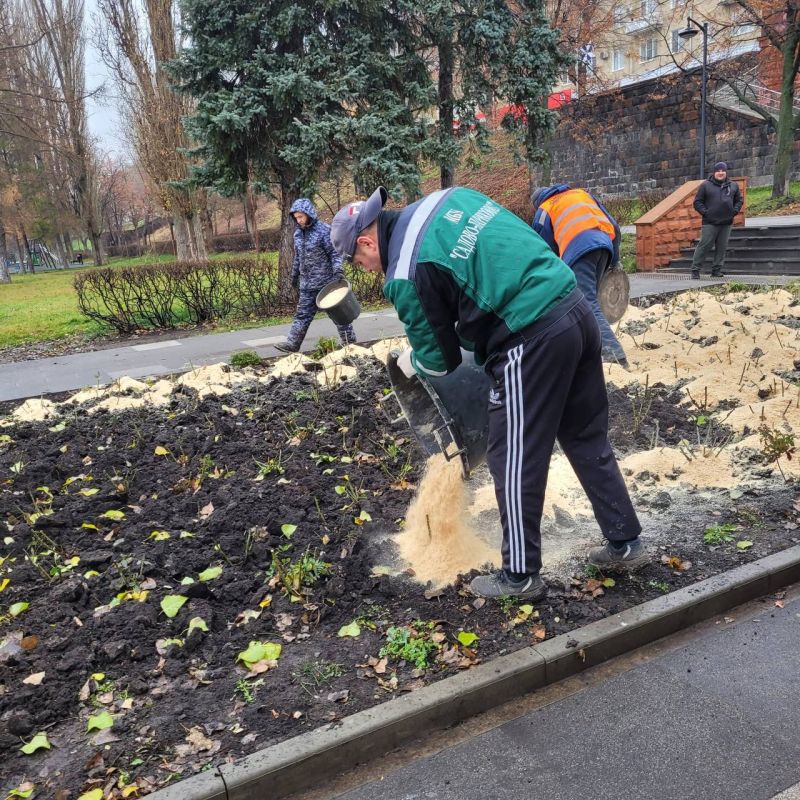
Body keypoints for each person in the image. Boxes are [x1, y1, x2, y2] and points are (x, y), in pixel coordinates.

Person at [330, 186, 647, 599]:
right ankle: (625, 542)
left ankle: (520, 576)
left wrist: (413, 360)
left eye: (360, 260)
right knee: (584, 436)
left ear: (368, 241)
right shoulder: (449, 198)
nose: (368, 269)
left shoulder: (403, 273)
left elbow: (440, 361)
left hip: (529, 336)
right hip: (574, 308)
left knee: (510, 457)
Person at [531, 184, 627, 366]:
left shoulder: (544, 210)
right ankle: (592, 348)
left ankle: (614, 355)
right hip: (604, 246)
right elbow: (613, 225)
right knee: (589, 302)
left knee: (586, 303)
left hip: (579, 250)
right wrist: (615, 259)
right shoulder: (581, 194)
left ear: (537, 202)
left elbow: (543, 249)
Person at [274, 198, 356, 353]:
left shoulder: (324, 231)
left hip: (327, 283)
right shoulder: (298, 234)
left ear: (309, 214)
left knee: (339, 316)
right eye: (296, 218)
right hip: (307, 285)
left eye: (301, 217)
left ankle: (349, 343)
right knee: (302, 315)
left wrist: (338, 270)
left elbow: (335, 253)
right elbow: (298, 257)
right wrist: (294, 275)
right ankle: (292, 344)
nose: (298, 221)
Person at [690, 162, 743, 280]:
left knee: (722, 247)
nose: (720, 173)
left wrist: (734, 211)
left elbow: (739, 200)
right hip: (710, 222)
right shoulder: (705, 185)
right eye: (718, 170)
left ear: (726, 172)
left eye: (722, 170)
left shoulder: (733, 185)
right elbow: (697, 202)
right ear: (714, 172)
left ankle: (716, 270)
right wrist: (706, 213)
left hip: (726, 222)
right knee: (704, 246)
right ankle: (695, 270)